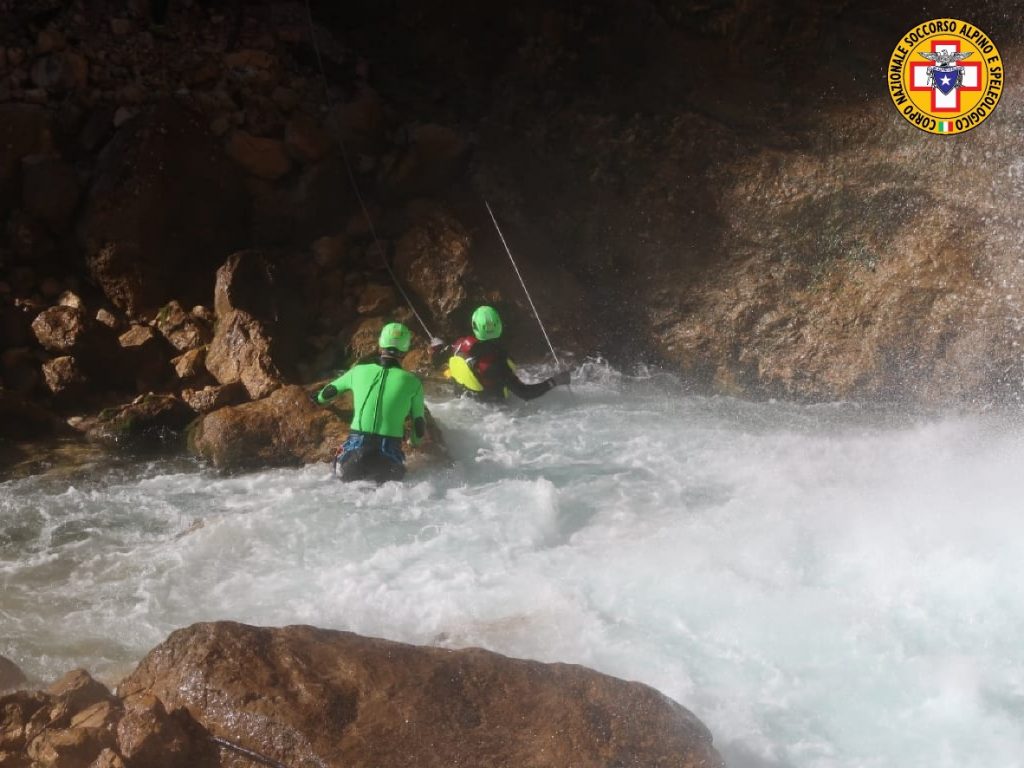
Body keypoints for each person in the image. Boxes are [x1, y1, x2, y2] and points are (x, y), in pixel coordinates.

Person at [313, 322, 425, 483]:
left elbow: (329, 391)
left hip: (356, 450)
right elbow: (419, 427)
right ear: (405, 349)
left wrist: (317, 399)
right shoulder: (414, 383)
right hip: (388, 456)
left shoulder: (358, 371)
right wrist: (413, 442)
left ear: (380, 344)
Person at [431, 305, 570, 402]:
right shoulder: (497, 364)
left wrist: (437, 347)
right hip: (495, 412)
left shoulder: (459, 344)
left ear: (474, 326)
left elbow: (436, 361)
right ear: (499, 326)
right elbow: (525, 393)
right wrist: (555, 381)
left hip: (464, 400)